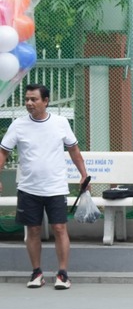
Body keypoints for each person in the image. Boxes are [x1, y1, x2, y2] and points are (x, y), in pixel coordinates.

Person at [0, 83, 88, 290]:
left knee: (59, 228)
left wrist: (84, 175)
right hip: (28, 188)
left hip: (56, 187)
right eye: (27, 99)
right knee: (33, 230)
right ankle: (36, 273)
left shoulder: (60, 123)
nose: (29, 103)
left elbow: (74, 150)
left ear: (46, 101)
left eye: (34, 99)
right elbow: (3, 152)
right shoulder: (18, 125)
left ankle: (63, 274)